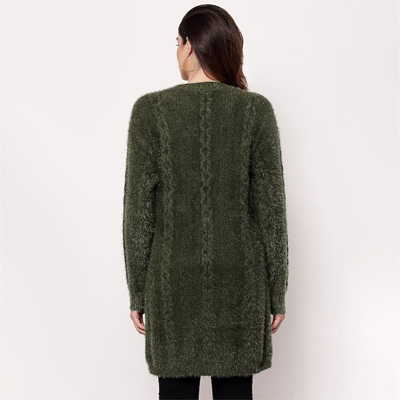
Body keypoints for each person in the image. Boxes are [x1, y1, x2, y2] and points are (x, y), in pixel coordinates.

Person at [122, 4, 289, 400]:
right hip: (241, 282)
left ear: (191, 46)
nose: (176, 51)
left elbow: (138, 213)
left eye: (177, 42)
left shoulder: (150, 111)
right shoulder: (256, 111)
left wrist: (138, 291)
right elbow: (271, 211)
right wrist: (277, 289)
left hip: (170, 283)